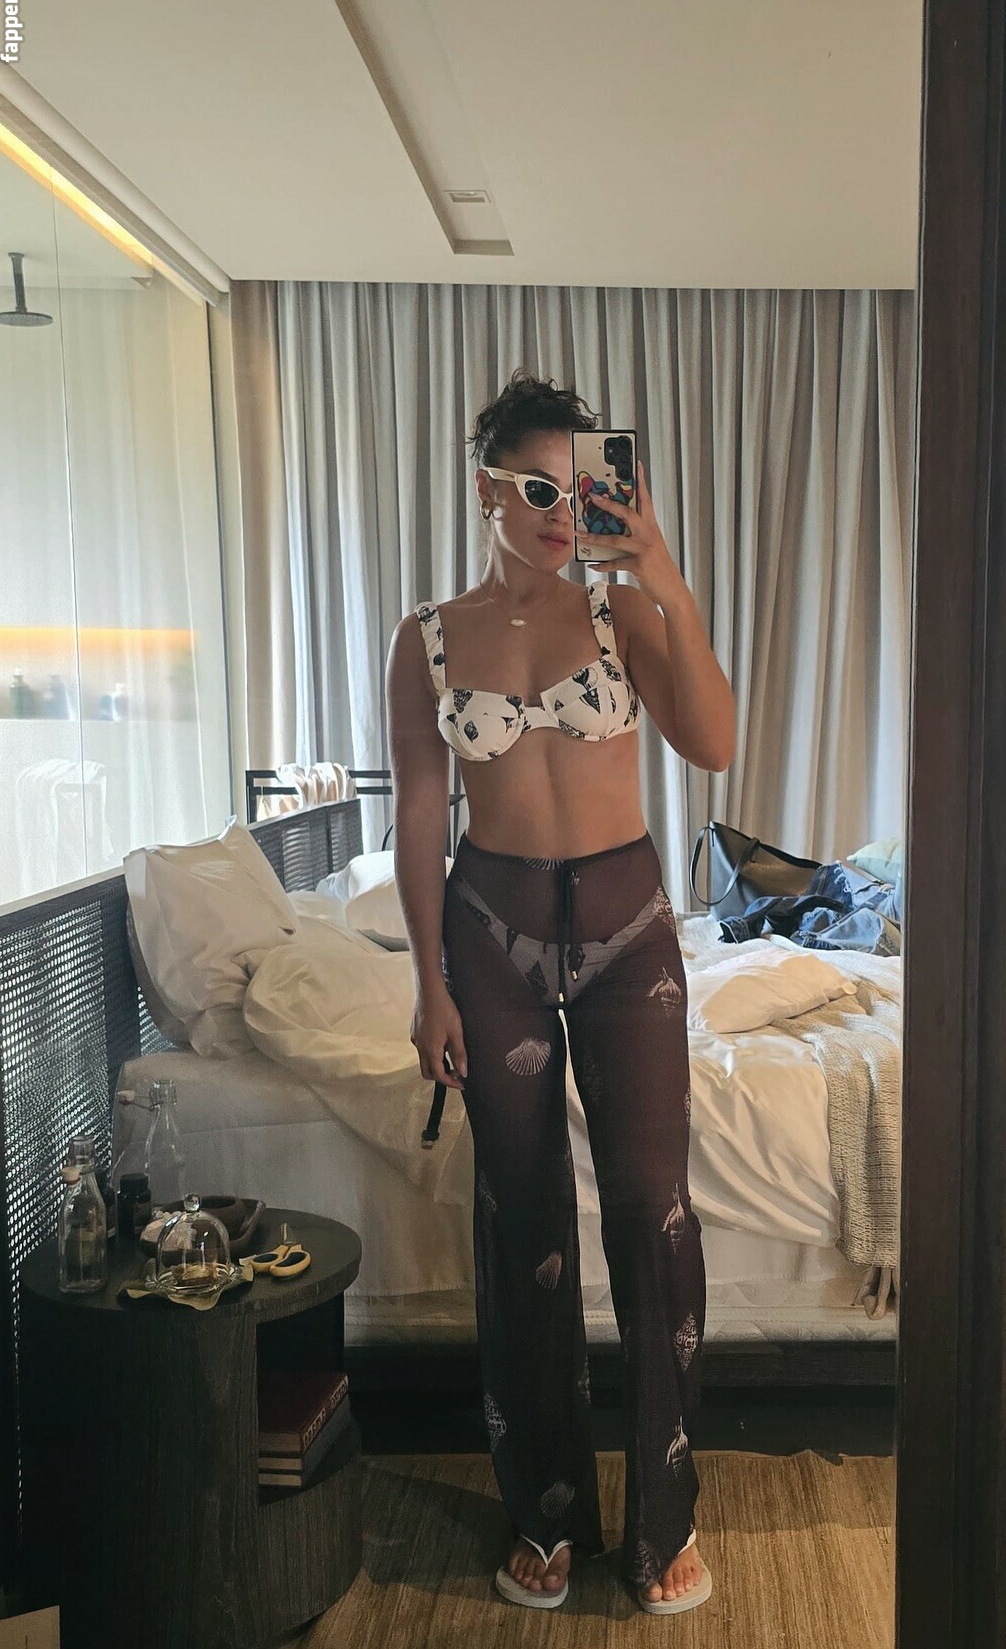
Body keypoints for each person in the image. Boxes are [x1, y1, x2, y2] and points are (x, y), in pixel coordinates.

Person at [385, 371, 735, 1615]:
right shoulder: (428, 637)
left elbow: (715, 741)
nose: (557, 512)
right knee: (522, 1222)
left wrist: (666, 576)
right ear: (487, 489)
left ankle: (662, 1521)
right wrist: (428, 984)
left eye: (579, 488)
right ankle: (544, 1510)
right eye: (535, 488)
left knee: (652, 1208)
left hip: (628, 932)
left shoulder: (622, 609)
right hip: (492, 939)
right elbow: (416, 817)